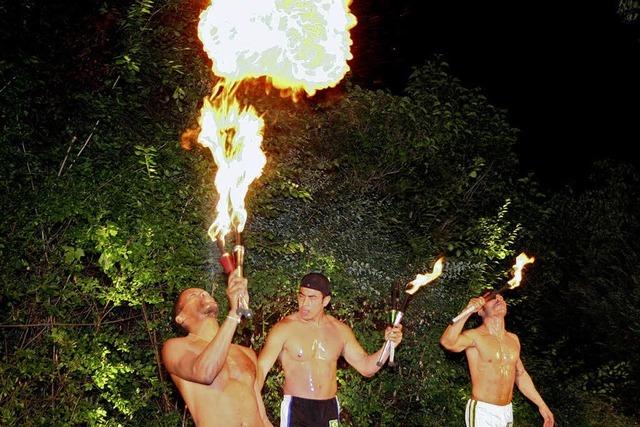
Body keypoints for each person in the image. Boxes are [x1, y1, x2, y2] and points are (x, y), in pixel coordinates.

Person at [257, 272, 403, 427]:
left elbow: (366, 368)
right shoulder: (284, 329)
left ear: (325, 301)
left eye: (312, 298)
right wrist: (261, 416)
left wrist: (388, 345)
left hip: (329, 408)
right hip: (297, 408)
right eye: (301, 296)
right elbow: (259, 371)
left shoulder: (339, 331)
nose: (304, 303)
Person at [162, 271, 272, 427]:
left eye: (205, 293)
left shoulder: (246, 352)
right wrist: (234, 312)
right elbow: (205, 373)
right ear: (181, 317)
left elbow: (262, 416)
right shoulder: (175, 347)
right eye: (193, 295)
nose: (203, 294)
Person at [440, 293, 554, 427]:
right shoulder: (475, 336)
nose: (498, 299)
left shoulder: (513, 339)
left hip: (506, 411)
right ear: (480, 311)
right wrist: (467, 311)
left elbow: (521, 375)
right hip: (483, 411)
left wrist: (542, 405)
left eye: (501, 298)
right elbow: (447, 342)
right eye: (492, 298)